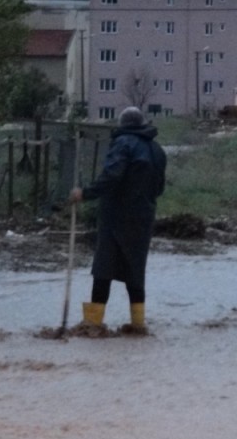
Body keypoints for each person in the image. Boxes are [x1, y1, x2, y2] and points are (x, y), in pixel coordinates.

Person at [70, 107, 167, 337]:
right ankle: (138, 325)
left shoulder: (123, 143)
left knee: (104, 268)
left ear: (122, 125)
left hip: (117, 216)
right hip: (143, 218)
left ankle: (93, 325)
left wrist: (85, 193)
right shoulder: (157, 150)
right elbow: (160, 188)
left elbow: (112, 176)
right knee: (135, 270)